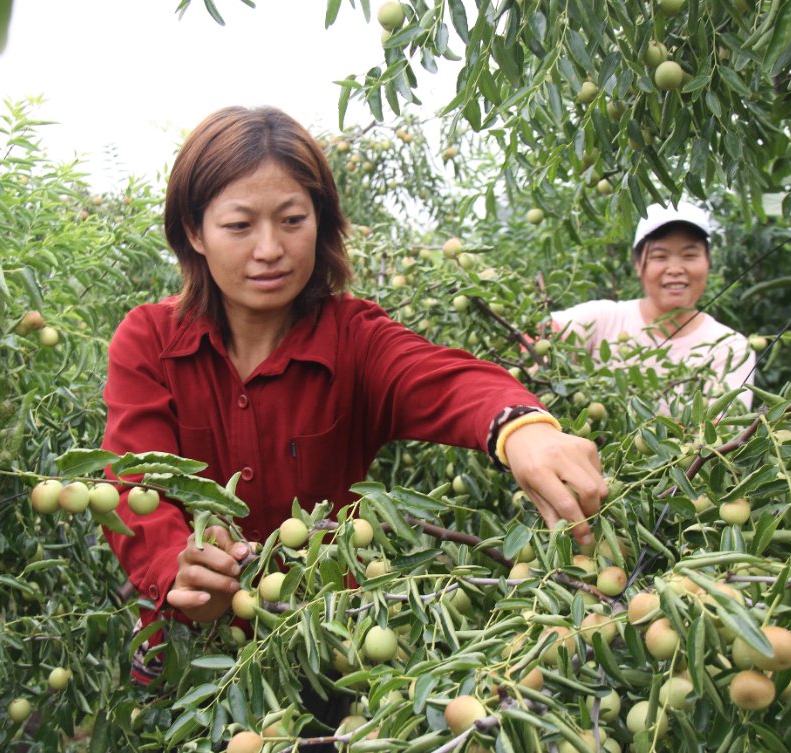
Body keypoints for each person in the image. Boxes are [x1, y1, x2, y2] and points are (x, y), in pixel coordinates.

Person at [98, 106, 606, 715]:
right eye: (239, 225)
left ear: (321, 223)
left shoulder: (354, 339)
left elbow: (438, 376)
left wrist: (522, 429)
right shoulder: (150, 341)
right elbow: (131, 483)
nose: (269, 249)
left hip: (327, 645)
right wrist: (176, 570)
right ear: (195, 231)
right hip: (190, 650)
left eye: (292, 220)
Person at [547, 202, 756, 412]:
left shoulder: (730, 348)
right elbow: (540, 336)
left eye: (689, 256)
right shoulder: (602, 319)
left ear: (708, 262)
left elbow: (720, 428)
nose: (675, 269)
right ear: (638, 265)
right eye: (660, 256)